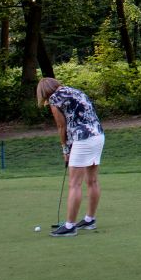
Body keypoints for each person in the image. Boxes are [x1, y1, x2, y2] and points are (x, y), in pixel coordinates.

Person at [38, 77, 105, 237]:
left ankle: (70, 226)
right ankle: (89, 219)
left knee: (74, 184)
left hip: (83, 139)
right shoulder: (75, 91)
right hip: (98, 135)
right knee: (92, 181)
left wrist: (65, 150)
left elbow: (61, 126)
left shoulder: (54, 98)